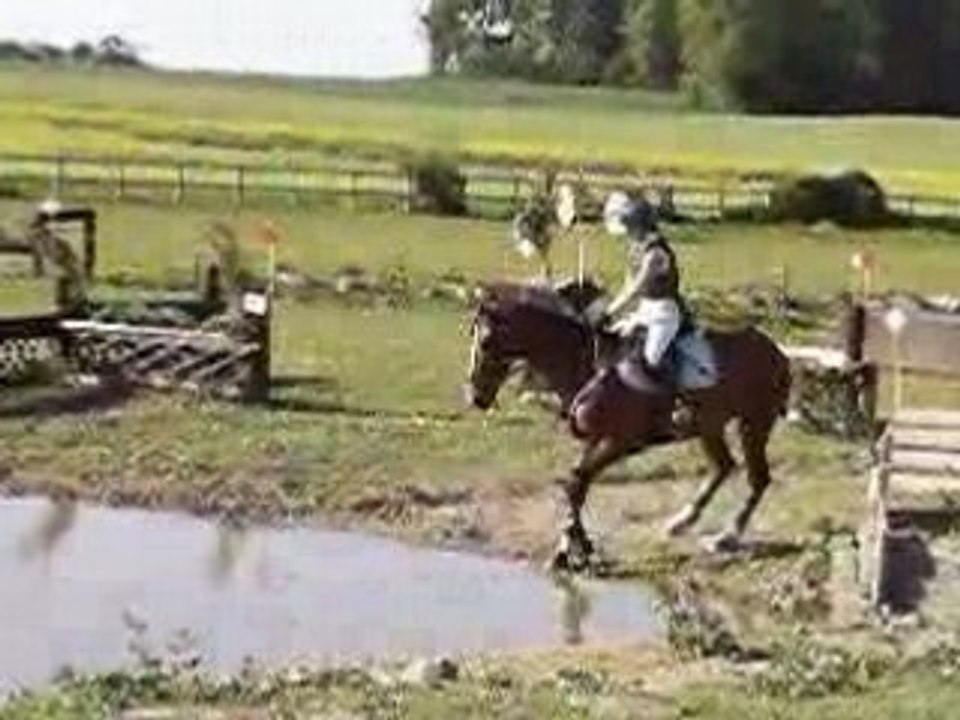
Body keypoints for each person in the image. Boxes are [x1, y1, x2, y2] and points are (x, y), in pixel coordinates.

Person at [600, 191, 691, 393]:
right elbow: (626, 286)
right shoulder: (637, 250)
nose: (628, 233)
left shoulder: (656, 254)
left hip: (664, 314)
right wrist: (610, 311)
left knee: (651, 359)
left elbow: (636, 288)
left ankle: (675, 401)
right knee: (616, 345)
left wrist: (608, 313)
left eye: (630, 228)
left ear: (640, 226)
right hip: (644, 310)